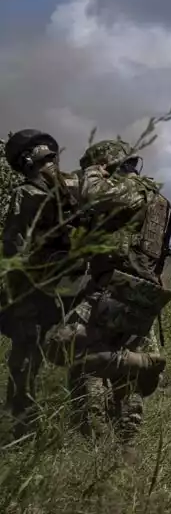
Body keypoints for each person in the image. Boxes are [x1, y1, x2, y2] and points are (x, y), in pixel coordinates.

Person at [41, 138, 171, 442]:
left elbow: (92, 193)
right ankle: (123, 439)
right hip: (139, 289)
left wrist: (93, 172)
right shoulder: (150, 195)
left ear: (108, 165)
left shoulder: (130, 187)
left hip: (117, 287)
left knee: (68, 346)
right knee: (125, 364)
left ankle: (94, 435)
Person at [0, 129, 88, 439]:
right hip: (69, 287)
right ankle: (83, 421)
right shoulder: (73, 190)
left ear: (25, 162)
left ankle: (23, 427)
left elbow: (12, 244)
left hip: (31, 289)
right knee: (76, 351)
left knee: (25, 358)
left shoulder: (26, 193)